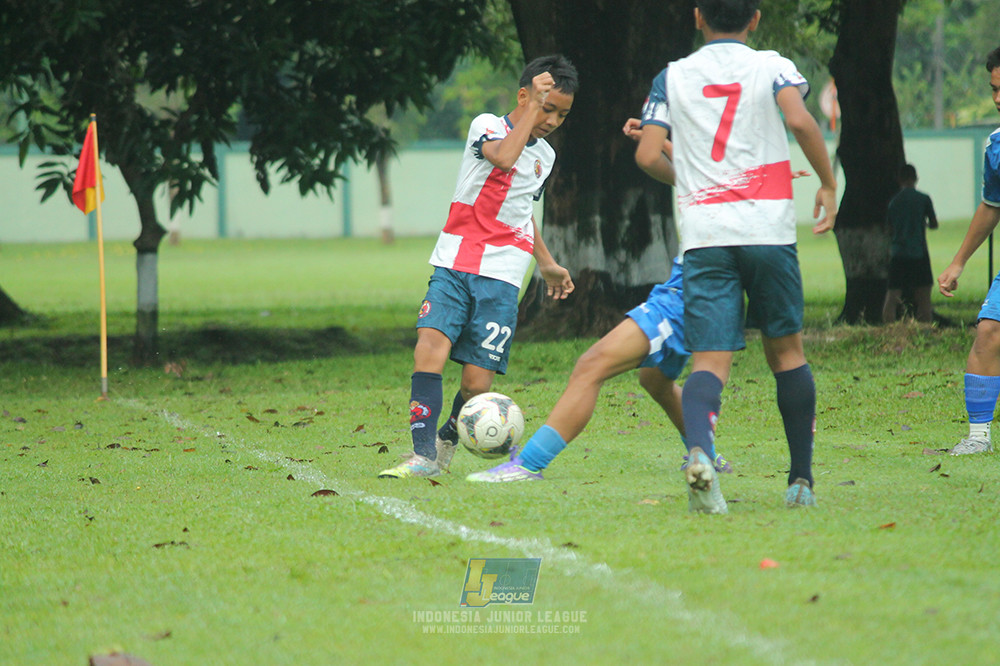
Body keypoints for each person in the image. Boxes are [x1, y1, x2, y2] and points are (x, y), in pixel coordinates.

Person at [633, 0, 838, 512]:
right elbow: (802, 121)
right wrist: (829, 183)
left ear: (697, 16)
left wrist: (699, 183)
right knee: (787, 353)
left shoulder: (672, 76)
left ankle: (699, 452)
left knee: (709, 360)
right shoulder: (772, 66)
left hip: (706, 236)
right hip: (766, 231)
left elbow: (646, 152)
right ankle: (800, 482)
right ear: (756, 18)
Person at [464, 123, 731, 486]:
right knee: (655, 379)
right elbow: (689, 174)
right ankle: (707, 453)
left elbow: (681, 170)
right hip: (684, 283)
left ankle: (528, 465)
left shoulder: (725, 182)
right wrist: (660, 141)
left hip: (690, 290)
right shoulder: (728, 178)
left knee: (591, 365)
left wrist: (656, 142)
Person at [379, 55, 578, 478]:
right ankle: (422, 456)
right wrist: (529, 113)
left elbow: (521, 211)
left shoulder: (546, 157)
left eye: (562, 113)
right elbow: (504, 158)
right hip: (454, 262)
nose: (553, 120)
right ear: (524, 96)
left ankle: (448, 435)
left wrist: (547, 263)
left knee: (477, 386)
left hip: (504, 274)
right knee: (429, 348)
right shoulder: (487, 126)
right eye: (547, 108)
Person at [936, 45, 1000, 456]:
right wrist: (958, 261)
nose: (997, 99)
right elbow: (992, 206)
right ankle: (978, 438)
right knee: (988, 332)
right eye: (994, 89)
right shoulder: (996, 146)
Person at [882, 164, 938, 323]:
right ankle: (925, 330)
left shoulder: (894, 202)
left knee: (892, 295)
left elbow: (889, 229)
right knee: (923, 296)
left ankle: (888, 330)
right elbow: (934, 223)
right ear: (915, 178)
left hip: (898, 253)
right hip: (919, 252)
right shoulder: (924, 199)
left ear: (899, 180)